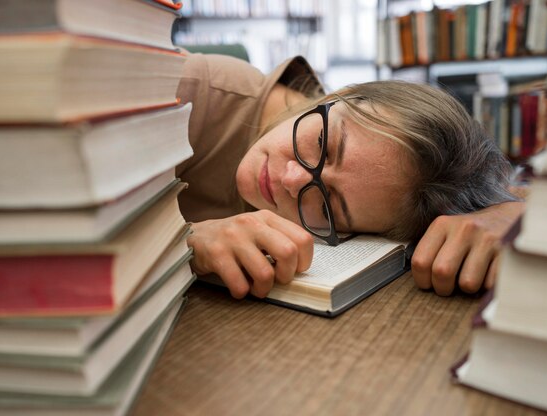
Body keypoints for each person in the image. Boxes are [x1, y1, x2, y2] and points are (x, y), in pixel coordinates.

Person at [175, 52, 525, 300]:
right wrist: (182, 243)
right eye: (322, 143)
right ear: (337, 95)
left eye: (327, 208)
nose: (293, 179)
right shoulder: (192, 92)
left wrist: (511, 212)